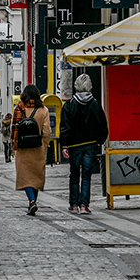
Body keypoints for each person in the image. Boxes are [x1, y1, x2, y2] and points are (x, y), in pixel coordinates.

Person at [59, 74, 108, 214]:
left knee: (74, 174)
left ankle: (74, 204)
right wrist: (99, 141)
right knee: (86, 175)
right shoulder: (95, 104)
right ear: (90, 86)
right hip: (90, 145)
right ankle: (84, 205)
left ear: (76, 87)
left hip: (74, 146)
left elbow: (65, 126)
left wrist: (65, 145)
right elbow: (102, 126)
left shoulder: (69, 105)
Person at [13, 85, 51, 217]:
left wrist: (15, 145)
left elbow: (14, 130)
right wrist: (44, 145)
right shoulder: (43, 110)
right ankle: (33, 201)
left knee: (25, 177)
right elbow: (47, 131)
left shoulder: (19, 109)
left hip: (23, 149)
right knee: (36, 176)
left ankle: (32, 201)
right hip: (38, 148)